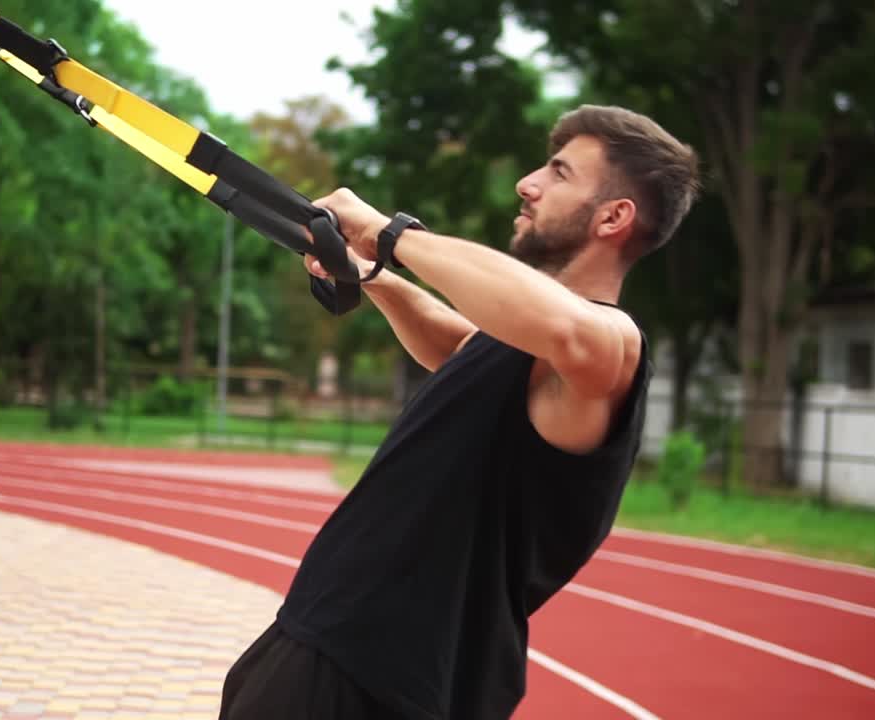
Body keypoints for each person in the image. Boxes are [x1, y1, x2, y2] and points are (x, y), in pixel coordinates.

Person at [218, 104, 701, 719]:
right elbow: (456, 344)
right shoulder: (523, 344)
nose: (527, 184)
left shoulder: (608, 344)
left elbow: (567, 329)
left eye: (558, 173)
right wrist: (371, 275)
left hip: (381, 678)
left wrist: (389, 234)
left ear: (614, 216)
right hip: (332, 642)